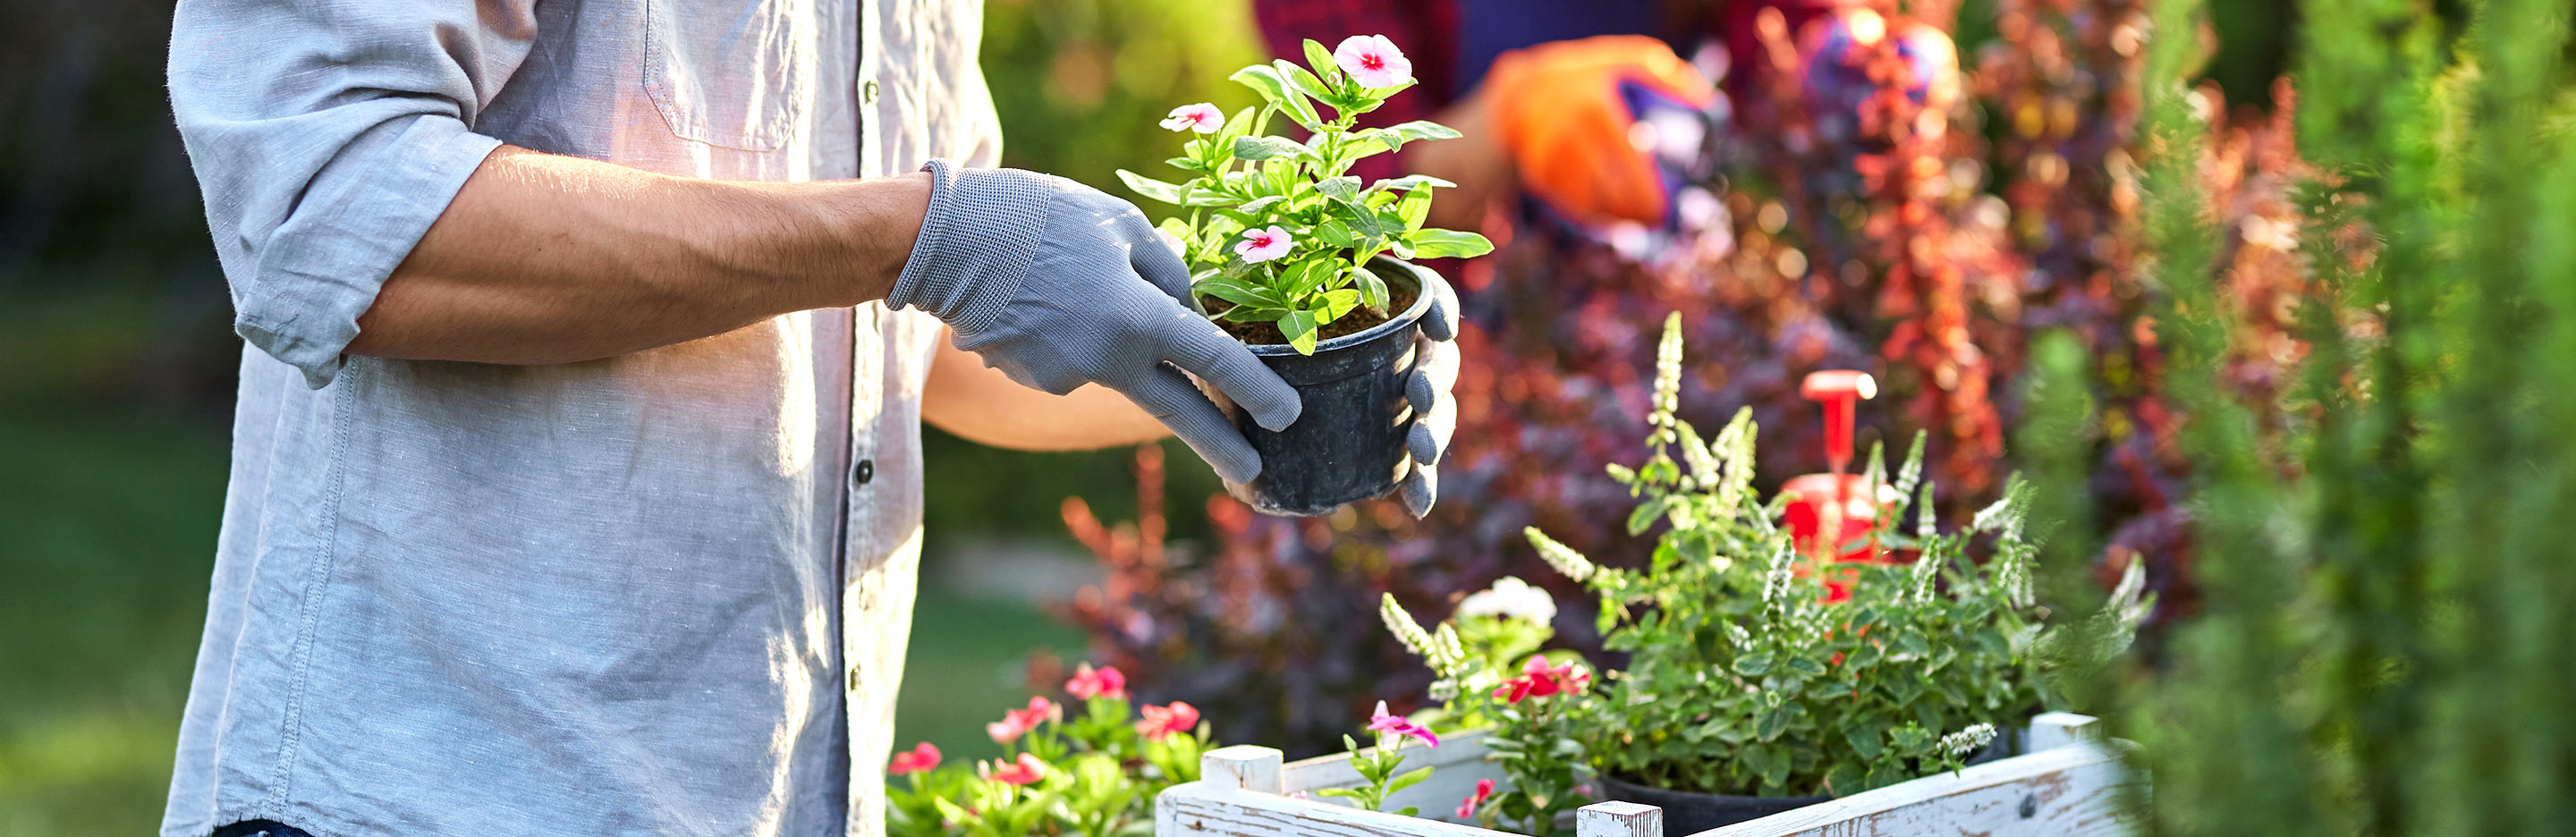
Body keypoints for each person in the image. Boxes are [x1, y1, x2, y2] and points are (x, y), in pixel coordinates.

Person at [158, 2, 1458, 836]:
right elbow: (327, 209)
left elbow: (922, 347)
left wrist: (1269, 362)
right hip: (442, 794)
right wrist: (923, 236)